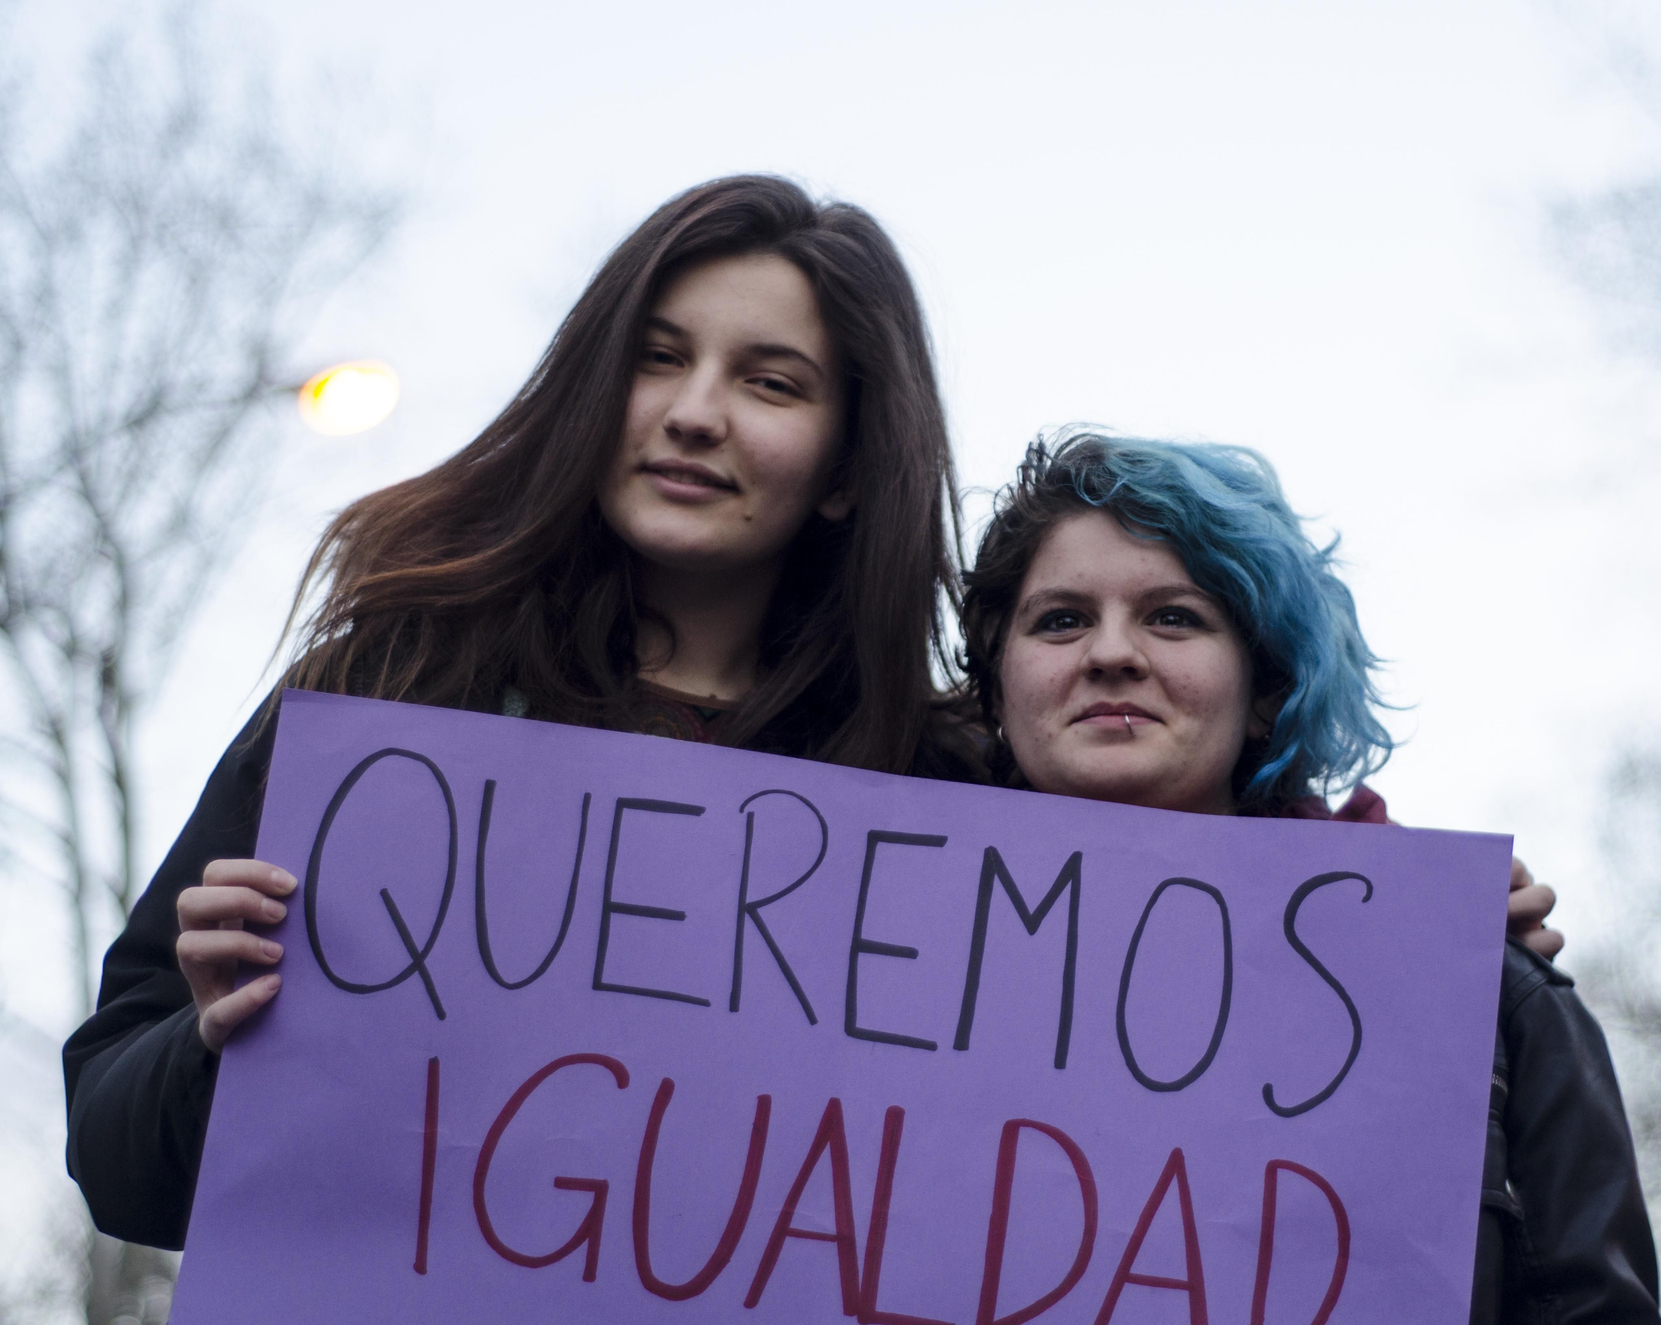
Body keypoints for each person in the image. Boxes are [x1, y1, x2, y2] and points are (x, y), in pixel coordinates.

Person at [62, 174, 980, 1250]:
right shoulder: (388, 694)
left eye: (770, 383)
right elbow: (116, 1164)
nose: (693, 411)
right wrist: (218, 1045)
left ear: (847, 470)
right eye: (657, 356)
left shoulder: (938, 794)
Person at [958, 430, 1661, 1323]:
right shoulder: (867, 971)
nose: (1111, 652)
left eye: (1173, 615)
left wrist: (1430, 933)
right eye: (1061, 619)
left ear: (1265, 692)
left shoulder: (1489, 998)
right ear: (997, 681)